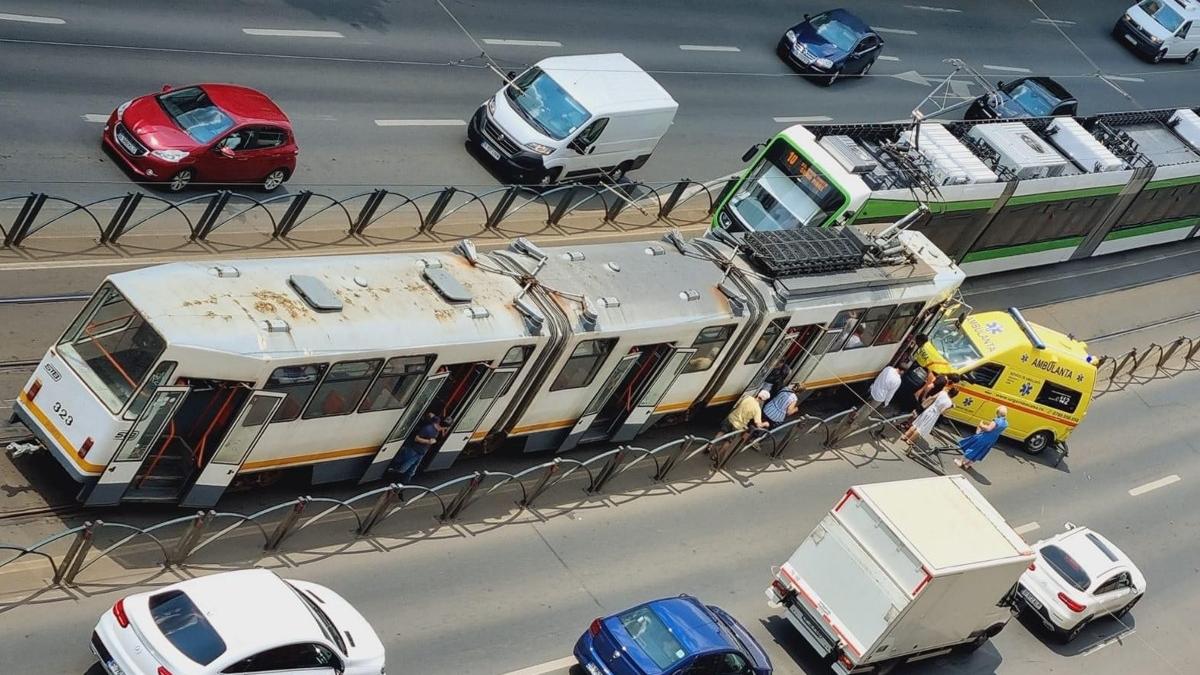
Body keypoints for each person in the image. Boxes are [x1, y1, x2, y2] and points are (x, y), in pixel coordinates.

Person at [828, 363, 906, 445]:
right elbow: (891, 393)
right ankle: (848, 429)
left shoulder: (888, 369)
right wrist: (886, 403)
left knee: (861, 406)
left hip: (872, 390)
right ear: (902, 371)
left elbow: (879, 377)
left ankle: (852, 416)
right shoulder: (898, 380)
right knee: (866, 411)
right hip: (879, 398)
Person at [712, 390, 771, 461]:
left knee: (721, 432)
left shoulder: (747, 397)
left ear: (758, 394)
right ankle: (716, 456)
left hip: (731, 418)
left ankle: (710, 445)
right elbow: (758, 425)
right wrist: (765, 424)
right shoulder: (757, 409)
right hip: (738, 426)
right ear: (764, 400)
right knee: (729, 441)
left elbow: (738, 404)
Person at [388, 413, 449, 481]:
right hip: (414, 450)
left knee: (411, 471)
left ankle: (402, 484)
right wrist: (428, 441)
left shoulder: (436, 421)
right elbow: (416, 439)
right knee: (403, 468)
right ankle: (394, 479)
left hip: (421, 452)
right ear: (443, 427)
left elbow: (431, 414)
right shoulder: (428, 429)